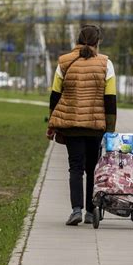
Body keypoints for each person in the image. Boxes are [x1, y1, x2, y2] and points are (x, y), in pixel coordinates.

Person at [47, 24, 117, 226]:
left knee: (75, 167)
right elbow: (110, 99)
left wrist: (52, 123)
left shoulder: (63, 62)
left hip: (71, 125)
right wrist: (109, 130)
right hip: (95, 126)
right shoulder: (106, 64)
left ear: (77, 41)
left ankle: (75, 209)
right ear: (98, 42)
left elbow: (55, 95)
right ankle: (90, 211)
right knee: (93, 168)